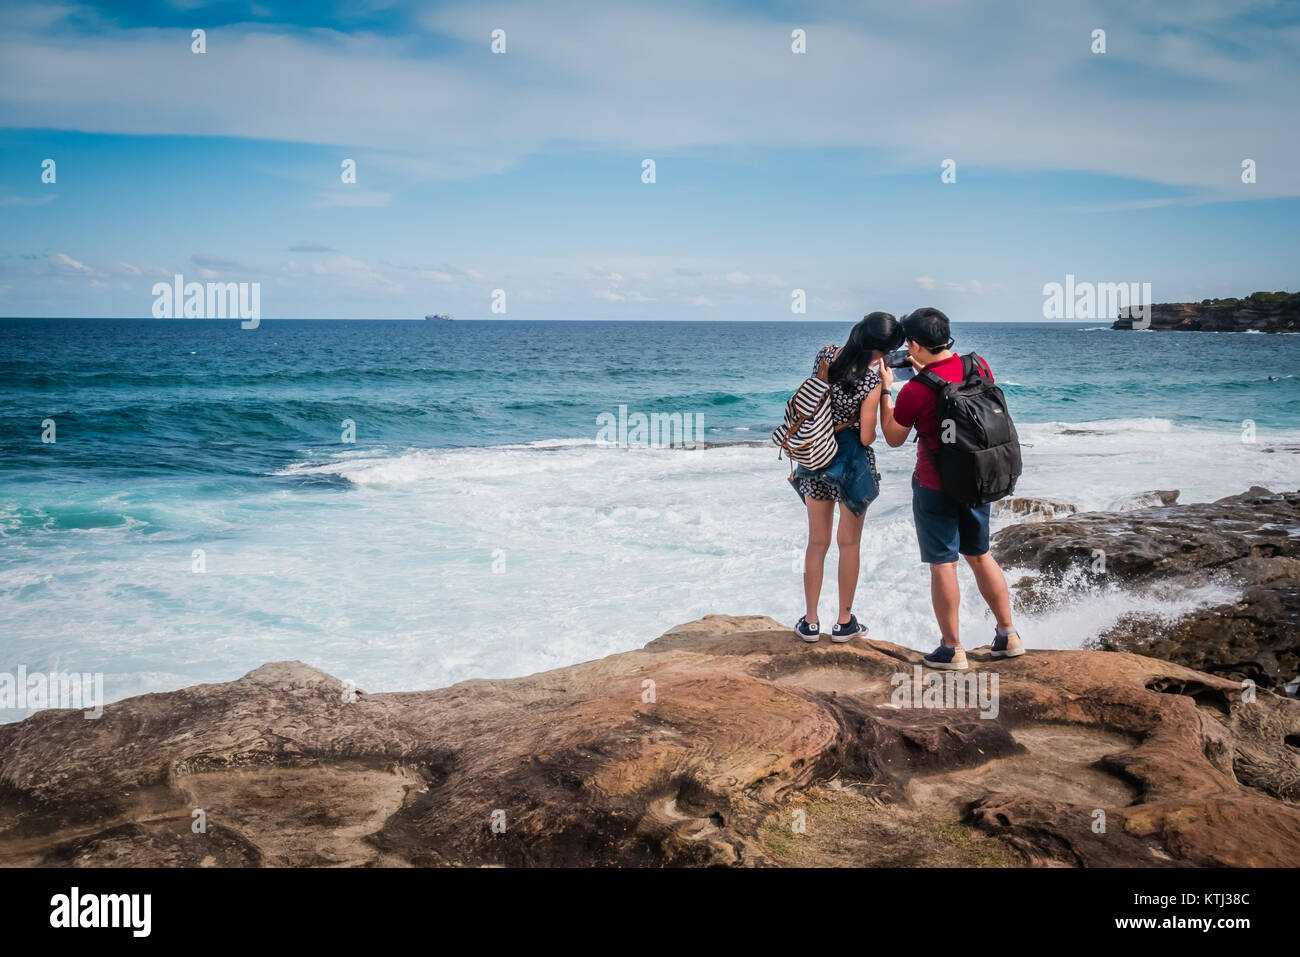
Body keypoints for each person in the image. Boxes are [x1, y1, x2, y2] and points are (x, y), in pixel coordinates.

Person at [878, 307, 1024, 670]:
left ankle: (952, 648)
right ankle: (1008, 635)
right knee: (980, 554)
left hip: (935, 485)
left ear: (912, 345)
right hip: (978, 477)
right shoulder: (980, 366)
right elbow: (953, 389)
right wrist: (926, 373)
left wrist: (885, 392)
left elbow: (894, 438)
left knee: (943, 563)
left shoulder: (914, 389)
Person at [791, 312, 902, 643]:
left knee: (817, 542)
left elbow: (817, 397)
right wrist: (886, 389)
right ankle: (843, 621)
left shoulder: (825, 354)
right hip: (851, 464)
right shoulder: (871, 382)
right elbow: (867, 437)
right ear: (882, 351)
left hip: (816, 456)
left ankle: (810, 622)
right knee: (848, 543)